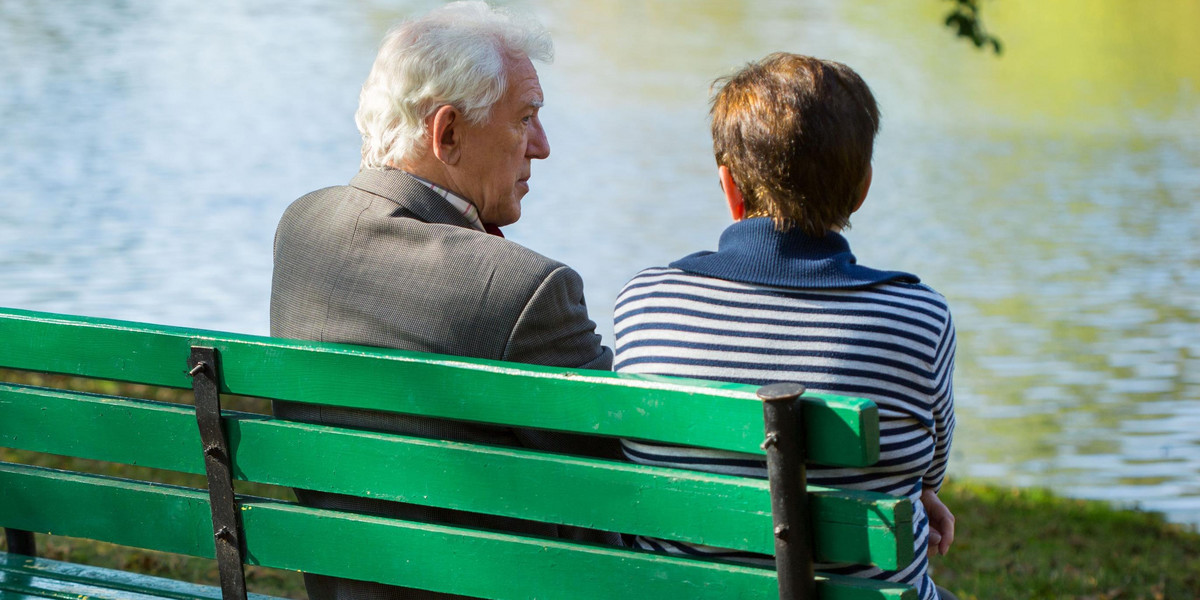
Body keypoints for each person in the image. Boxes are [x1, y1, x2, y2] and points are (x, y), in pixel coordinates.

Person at [269, 3, 612, 598]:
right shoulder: (525, 290)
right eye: (525, 118)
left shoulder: (301, 229)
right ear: (447, 133)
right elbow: (629, 473)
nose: (543, 146)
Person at [612, 53, 958, 600]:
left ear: (729, 186)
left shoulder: (646, 301)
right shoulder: (917, 318)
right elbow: (928, 465)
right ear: (862, 188)